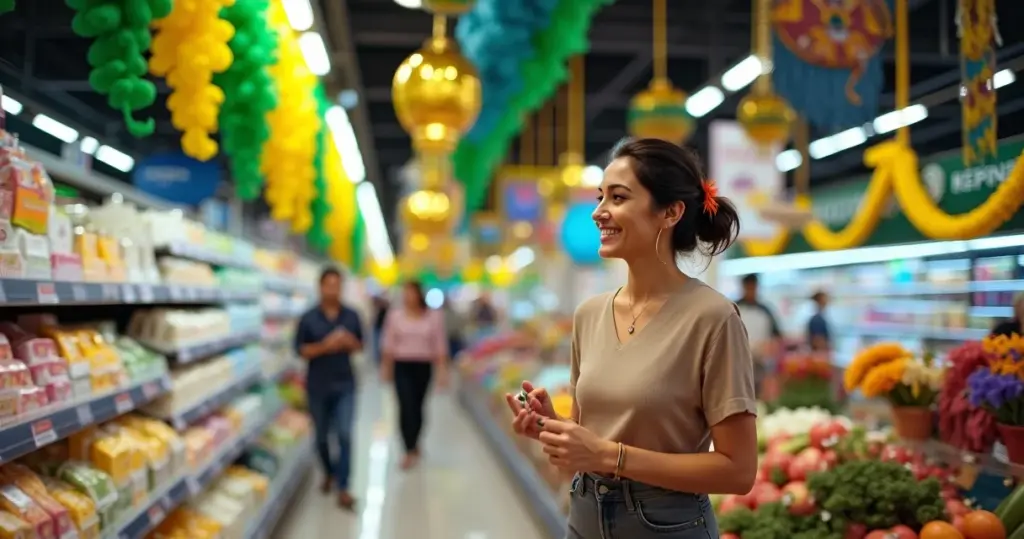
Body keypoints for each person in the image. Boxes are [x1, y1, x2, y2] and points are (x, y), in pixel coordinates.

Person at [505, 138, 757, 538]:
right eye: (600, 197)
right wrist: (554, 428)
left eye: (618, 198)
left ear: (670, 212)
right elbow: (591, 441)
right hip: (584, 515)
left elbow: (738, 471)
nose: (598, 212)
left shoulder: (713, 318)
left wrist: (611, 456)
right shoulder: (589, 315)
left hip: (665, 523)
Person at [293, 267, 363, 509]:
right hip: (317, 385)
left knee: (345, 434)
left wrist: (348, 342)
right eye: (328, 285)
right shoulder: (308, 318)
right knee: (321, 436)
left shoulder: (352, 316)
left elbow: (360, 345)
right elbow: (301, 350)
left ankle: (344, 487)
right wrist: (325, 346)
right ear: (320, 287)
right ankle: (329, 472)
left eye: (337, 285)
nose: (333, 290)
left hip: (345, 384)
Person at [380, 281, 450, 470]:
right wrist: (386, 368)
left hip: (423, 366)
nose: (408, 297)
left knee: (418, 406)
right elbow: (388, 343)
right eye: (406, 293)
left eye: (411, 293)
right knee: (405, 405)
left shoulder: (433, 317)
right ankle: (408, 448)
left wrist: (442, 370)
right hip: (402, 365)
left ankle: (416, 439)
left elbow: (439, 344)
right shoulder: (395, 316)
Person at [735, 273, 783, 392]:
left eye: (753, 287)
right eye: (748, 287)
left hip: (761, 360)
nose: (751, 291)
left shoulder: (765, 310)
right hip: (738, 359)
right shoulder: (734, 308)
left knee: (759, 391)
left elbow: (777, 336)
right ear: (744, 287)